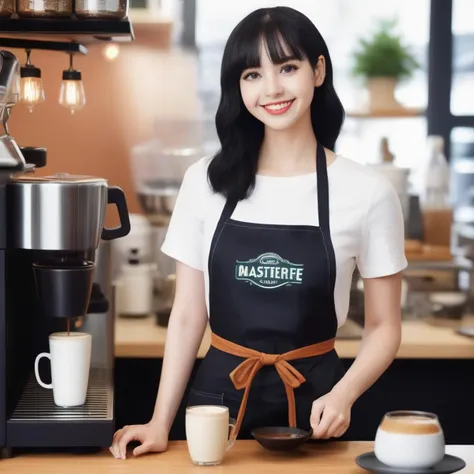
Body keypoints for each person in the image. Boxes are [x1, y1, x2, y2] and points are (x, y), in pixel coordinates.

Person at [110, 6, 407, 460]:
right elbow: (189, 316)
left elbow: (385, 326)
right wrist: (158, 422)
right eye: (252, 74)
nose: (271, 89)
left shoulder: (367, 192)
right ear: (238, 86)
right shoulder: (204, 181)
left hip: (319, 415)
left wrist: (344, 395)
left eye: (288, 67)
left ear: (318, 70)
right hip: (214, 412)